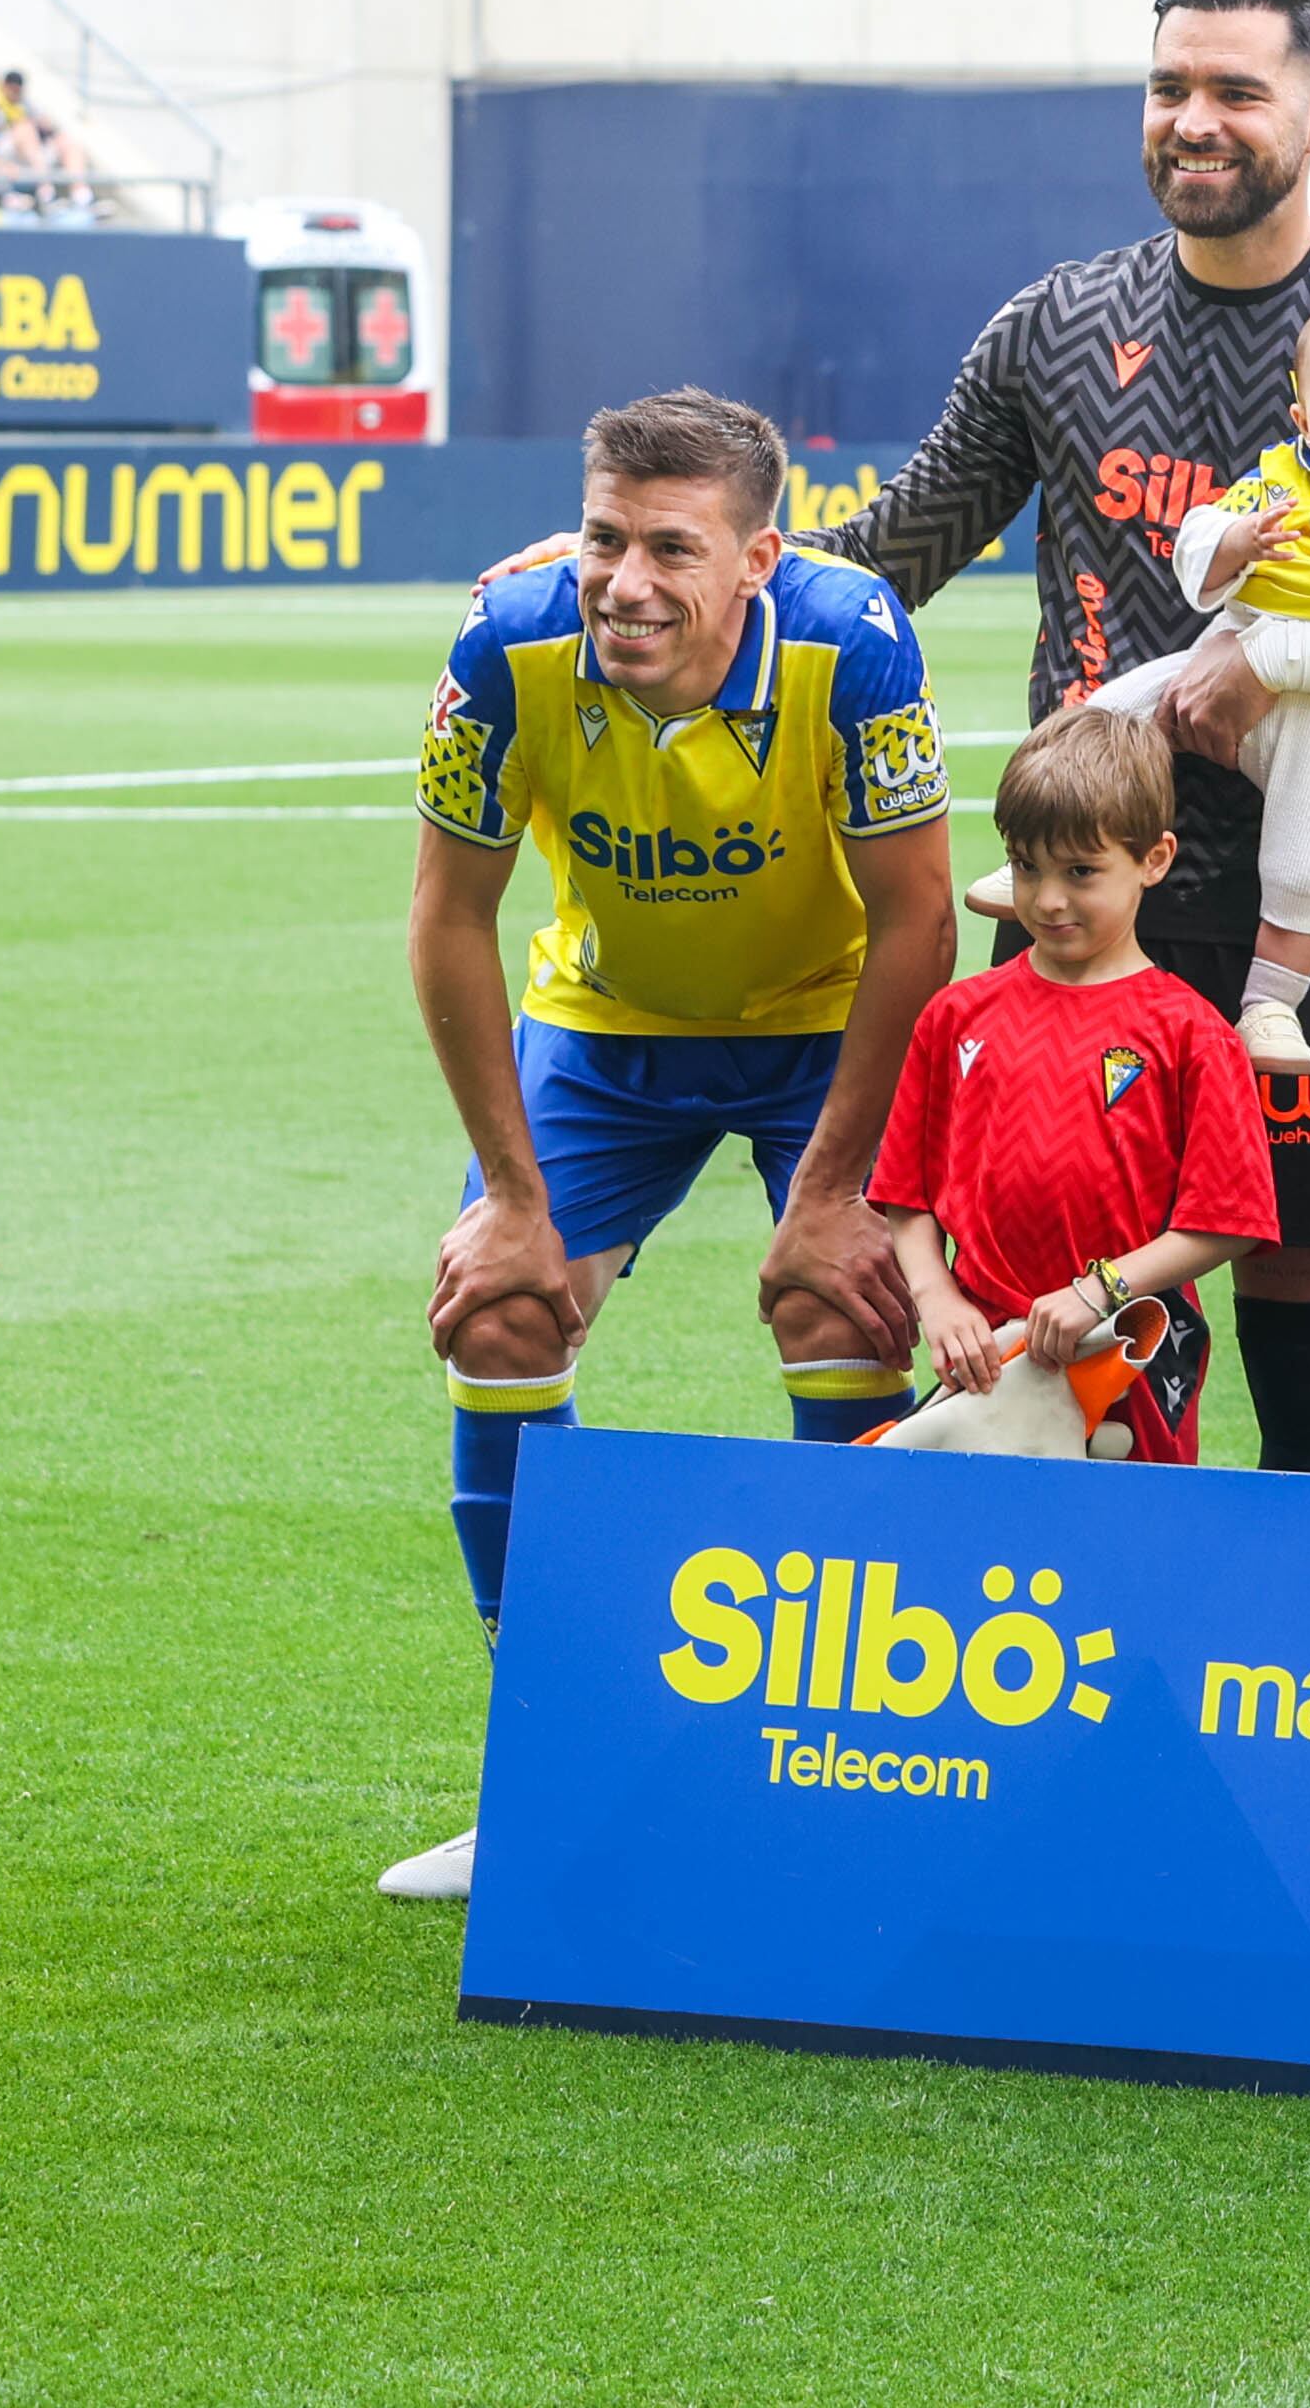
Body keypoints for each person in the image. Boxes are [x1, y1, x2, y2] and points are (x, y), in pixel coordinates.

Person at [805, 0, 1310, 1482]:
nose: (1193, 120)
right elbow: (898, 549)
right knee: (1042, 1350)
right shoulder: (1055, 324)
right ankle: (1059, 1702)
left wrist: (1290, 663)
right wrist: (717, 562)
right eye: (1168, 88)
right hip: (1075, 904)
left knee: (1307, 1352)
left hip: (1306, 917)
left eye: (1234, 93)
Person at [390, 390, 958, 1901]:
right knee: (499, 1308)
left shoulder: (858, 642)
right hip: (608, 1025)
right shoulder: (507, 642)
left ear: (759, 558)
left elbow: (919, 919)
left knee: (845, 1301)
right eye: (603, 538)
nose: (626, 582)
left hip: (825, 1025)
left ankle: (846, 1769)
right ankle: (550, 1767)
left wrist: (836, 1190)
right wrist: (512, 1200)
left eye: (671, 549)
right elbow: (449, 920)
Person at [965, 298, 1310, 1074]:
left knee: (1306, 860)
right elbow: (1195, 543)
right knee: (1101, 714)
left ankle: (1270, 1006)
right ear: (1301, 415)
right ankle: (1038, 853)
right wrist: (1237, 539)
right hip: (1218, 658)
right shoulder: (1276, 478)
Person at [870, 710, 1275, 1461]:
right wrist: (938, 1301)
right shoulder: (957, 1014)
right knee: (973, 1551)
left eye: (1080, 872)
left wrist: (1101, 1290)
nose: (1048, 900)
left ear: (1154, 859)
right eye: (1027, 867)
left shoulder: (1191, 1033)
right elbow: (905, 1194)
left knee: (1123, 1557)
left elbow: (1229, 1217)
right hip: (985, 1355)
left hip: (1128, 1353)